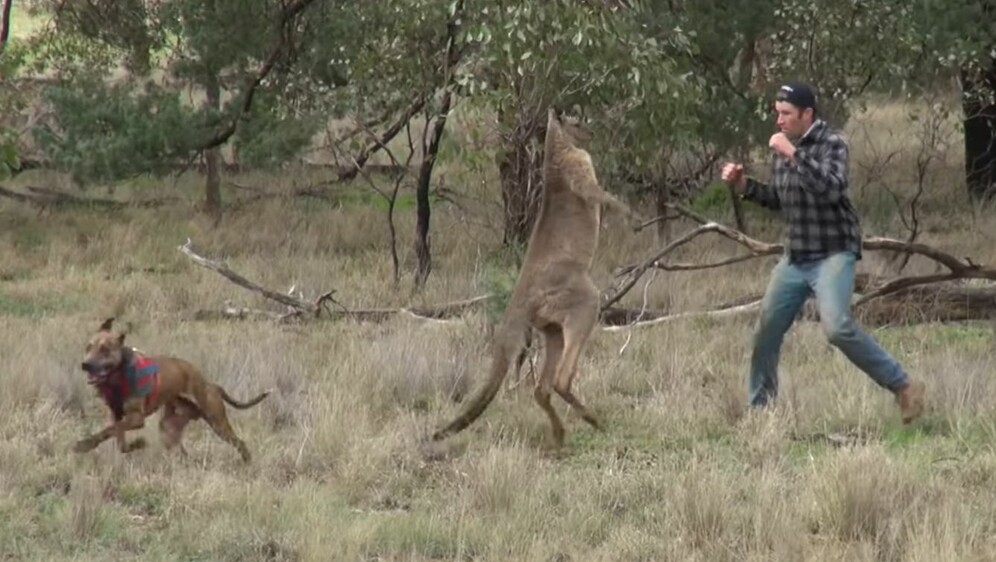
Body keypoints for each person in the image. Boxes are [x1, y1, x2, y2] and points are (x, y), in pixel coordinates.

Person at [720, 81, 925, 423]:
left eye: (786, 114)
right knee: (765, 331)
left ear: (807, 114)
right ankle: (761, 411)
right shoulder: (786, 146)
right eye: (777, 114)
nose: (779, 121)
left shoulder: (833, 143)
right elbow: (779, 199)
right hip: (796, 256)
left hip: (833, 252)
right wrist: (743, 186)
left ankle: (903, 387)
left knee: (837, 328)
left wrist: (793, 154)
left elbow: (831, 189)